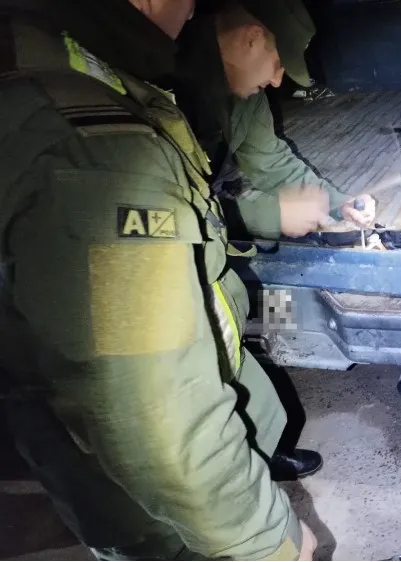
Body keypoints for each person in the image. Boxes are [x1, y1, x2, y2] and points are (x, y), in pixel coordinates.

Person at [0, 0, 317, 559]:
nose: (194, 10)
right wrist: (263, 538)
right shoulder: (96, 141)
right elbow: (153, 410)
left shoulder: (77, 75)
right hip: (155, 505)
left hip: (142, 467)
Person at [173, 0, 376, 243]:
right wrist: (269, 215)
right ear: (253, 38)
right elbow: (164, 206)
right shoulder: (165, 79)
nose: (277, 82)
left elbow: (269, 160)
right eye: (279, 65)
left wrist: (338, 203)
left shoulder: (246, 93)